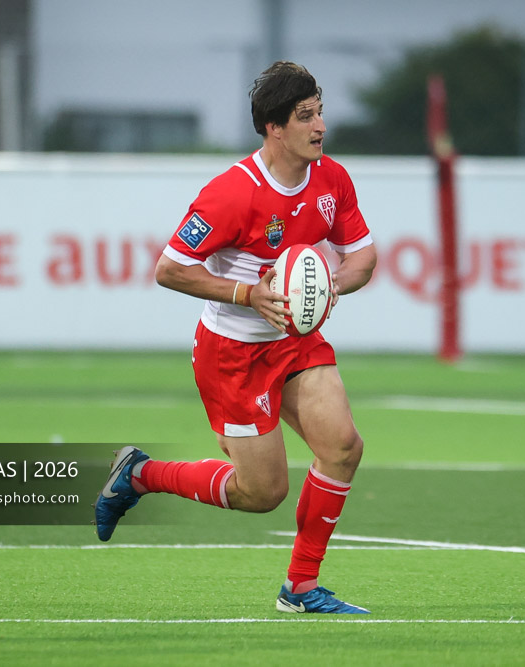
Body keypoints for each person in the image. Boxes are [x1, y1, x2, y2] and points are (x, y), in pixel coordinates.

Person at [95, 61, 377, 614]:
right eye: (305, 116)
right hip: (234, 354)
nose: (320, 125)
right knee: (262, 493)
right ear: (274, 127)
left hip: (296, 340)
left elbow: (362, 256)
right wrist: (249, 294)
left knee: (343, 447)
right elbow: (170, 269)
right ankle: (142, 474)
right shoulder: (232, 193)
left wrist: (330, 285)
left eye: (320, 112)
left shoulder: (332, 179)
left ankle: (301, 588)